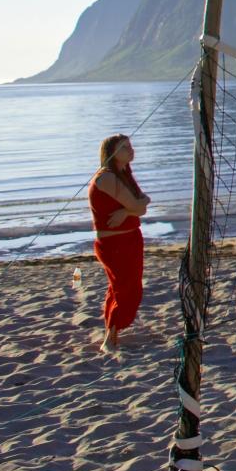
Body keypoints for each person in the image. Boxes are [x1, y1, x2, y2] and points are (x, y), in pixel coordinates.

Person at [87, 134, 150, 353]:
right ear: (112, 152)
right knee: (125, 289)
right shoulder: (106, 178)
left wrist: (125, 211)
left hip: (130, 238)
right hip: (115, 242)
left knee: (123, 288)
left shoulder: (123, 173)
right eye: (124, 147)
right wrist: (132, 208)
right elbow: (140, 204)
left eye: (130, 146)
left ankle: (111, 333)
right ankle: (109, 339)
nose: (130, 150)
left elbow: (144, 204)